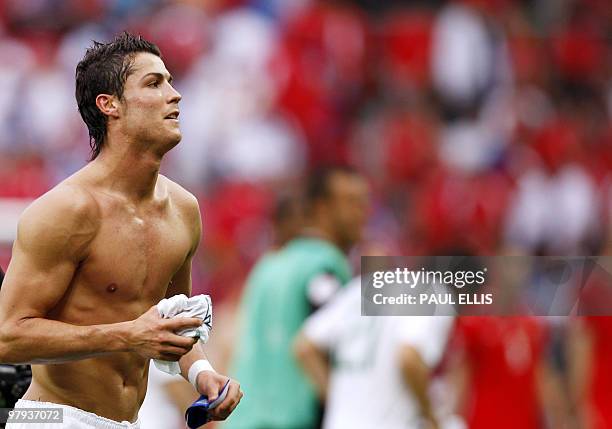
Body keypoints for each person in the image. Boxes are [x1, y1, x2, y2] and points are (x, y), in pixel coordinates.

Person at [0, 32, 242, 428]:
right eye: (154, 83)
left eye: (170, 80)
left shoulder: (184, 210)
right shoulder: (66, 210)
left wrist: (202, 374)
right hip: (54, 419)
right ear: (109, 105)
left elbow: (171, 322)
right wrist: (129, 335)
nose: (175, 94)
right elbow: (6, 338)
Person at [223, 166, 369, 429]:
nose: (362, 213)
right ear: (321, 208)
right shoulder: (325, 268)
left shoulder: (268, 266)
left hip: (242, 419)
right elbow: (311, 349)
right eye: (351, 202)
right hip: (291, 421)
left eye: (363, 203)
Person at [294, 277, 456, 429]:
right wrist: (430, 414)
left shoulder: (360, 288)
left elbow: (304, 348)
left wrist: (338, 401)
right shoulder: (433, 293)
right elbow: (409, 358)